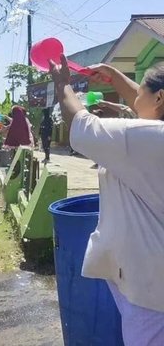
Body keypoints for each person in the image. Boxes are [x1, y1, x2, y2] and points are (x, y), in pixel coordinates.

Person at [50, 54, 164, 345]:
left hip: (151, 288)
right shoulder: (151, 136)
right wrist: (114, 78)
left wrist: (63, 85)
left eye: (139, 93)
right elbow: (147, 111)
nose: (133, 101)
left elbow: (80, 122)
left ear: (159, 97)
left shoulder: (143, 139)